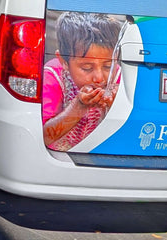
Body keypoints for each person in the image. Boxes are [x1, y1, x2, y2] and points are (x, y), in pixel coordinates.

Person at [42, 12, 122, 150]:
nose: (99, 78)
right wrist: (78, 107)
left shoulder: (118, 78)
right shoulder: (53, 76)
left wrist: (118, 107)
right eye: (87, 68)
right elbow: (43, 136)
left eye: (108, 66)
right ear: (64, 61)